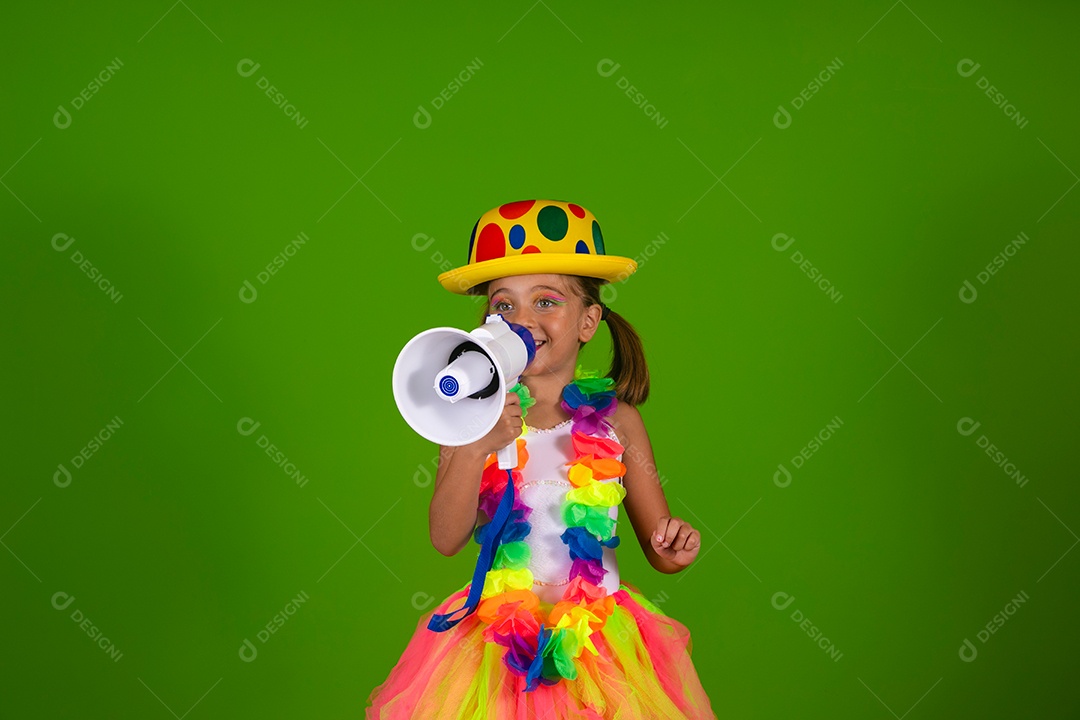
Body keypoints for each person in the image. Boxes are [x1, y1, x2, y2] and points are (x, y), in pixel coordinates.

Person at [368, 200, 717, 718]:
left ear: (588, 321)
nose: (522, 321)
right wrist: (475, 445)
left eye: (547, 301)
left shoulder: (619, 422)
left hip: (597, 645)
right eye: (503, 305)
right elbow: (445, 538)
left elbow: (657, 546)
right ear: (486, 323)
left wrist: (675, 547)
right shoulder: (466, 419)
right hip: (497, 648)